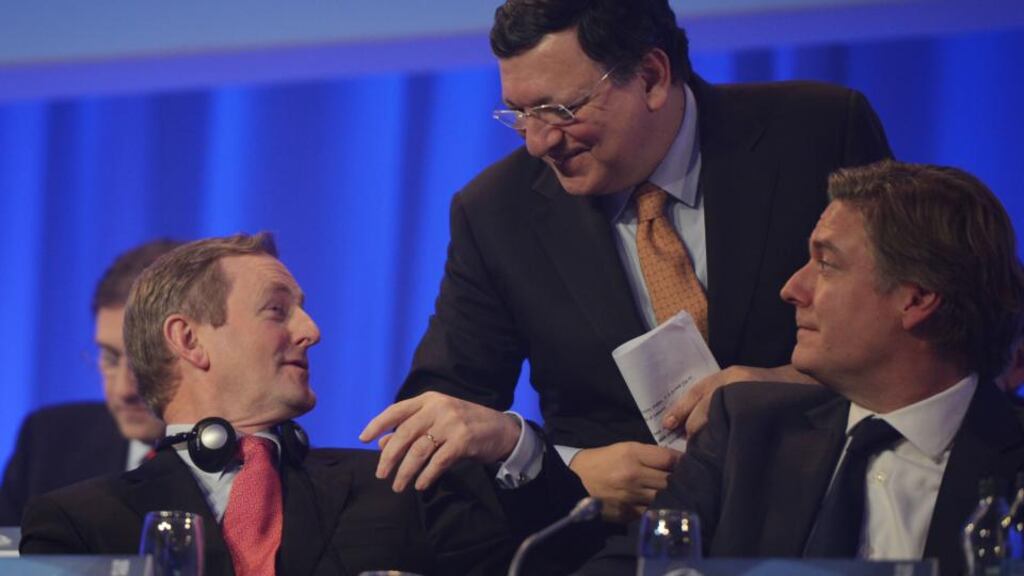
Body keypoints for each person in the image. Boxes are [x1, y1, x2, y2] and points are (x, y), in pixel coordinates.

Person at [364, 0, 891, 522]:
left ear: (652, 77)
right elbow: (441, 416)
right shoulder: (497, 212)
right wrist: (564, 470)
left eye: (559, 111)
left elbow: (928, 334)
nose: (538, 142)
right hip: (621, 545)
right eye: (521, 114)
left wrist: (787, 388)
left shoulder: (816, 132)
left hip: (835, 512)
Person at [565, 160, 1024, 575]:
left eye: (826, 265)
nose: (791, 288)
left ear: (917, 299)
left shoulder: (1010, 466)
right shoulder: (747, 429)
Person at [19, 234, 508, 575]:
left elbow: (550, 557)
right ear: (189, 339)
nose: (311, 331)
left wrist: (511, 443)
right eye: (278, 310)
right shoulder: (76, 522)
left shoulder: (399, 487)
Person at [0, 239, 178, 526]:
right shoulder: (47, 443)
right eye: (109, 357)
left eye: (145, 359)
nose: (123, 390)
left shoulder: (249, 464)